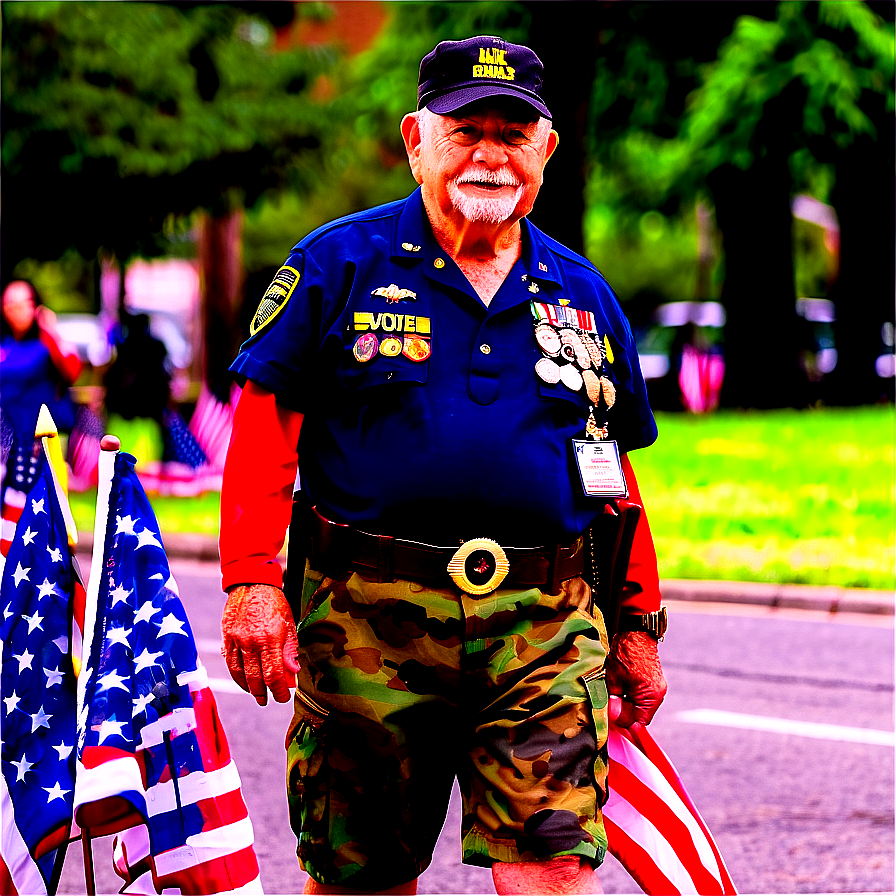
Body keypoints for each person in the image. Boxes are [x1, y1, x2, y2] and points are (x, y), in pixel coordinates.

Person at [219, 36, 668, 896]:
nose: (491, 153)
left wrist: (639, 621)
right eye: (467, 130)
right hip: (367, 621)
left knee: (556, 859)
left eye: (513, 132)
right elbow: (264, 427)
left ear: (546, 152)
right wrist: (250, 581)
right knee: (364, 875)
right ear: (416, 141)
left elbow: (608, 470)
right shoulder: (336, 265)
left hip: (545, 620)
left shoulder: (584, 293)